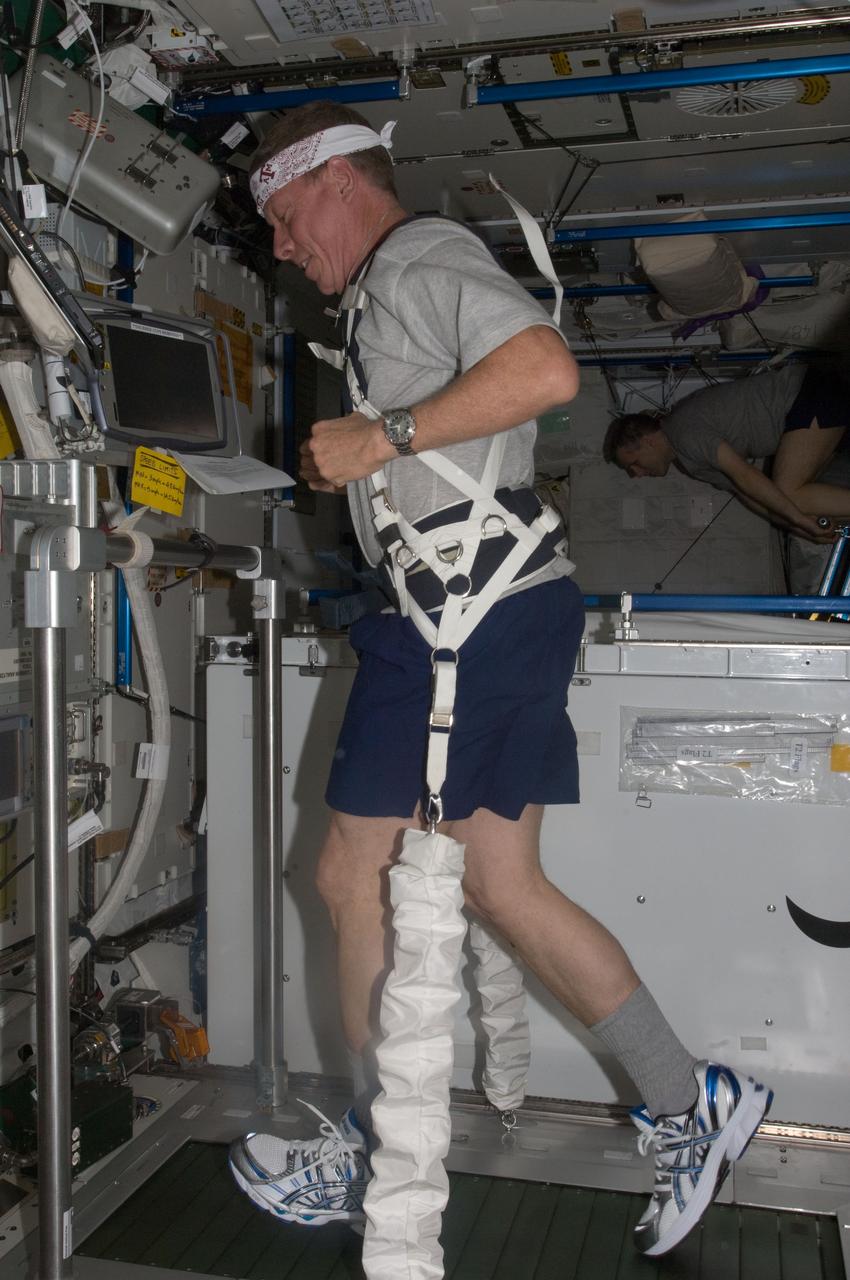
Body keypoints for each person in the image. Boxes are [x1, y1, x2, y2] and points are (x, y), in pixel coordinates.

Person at [228, 100, 772, 1258]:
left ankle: (381, 1145)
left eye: (282, 216)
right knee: (501, 884)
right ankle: (691, 1101)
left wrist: (384, 438)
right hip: (488, 612)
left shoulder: (419, 253)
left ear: (335, 183)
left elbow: (542, 368)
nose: (281, 245)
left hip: (463, 618)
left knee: (346, 871)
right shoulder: (385, 291)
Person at [603, 364, 850, 542]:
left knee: (789, 495)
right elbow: (744, 492)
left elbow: (744, 473)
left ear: (647, 441)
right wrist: (799, 527)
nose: (635, 474)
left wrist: (798, 519)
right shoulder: (688, 463)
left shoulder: (682, 430)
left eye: (632, 464)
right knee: (793, 501)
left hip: (808, 395)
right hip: (806, 412)